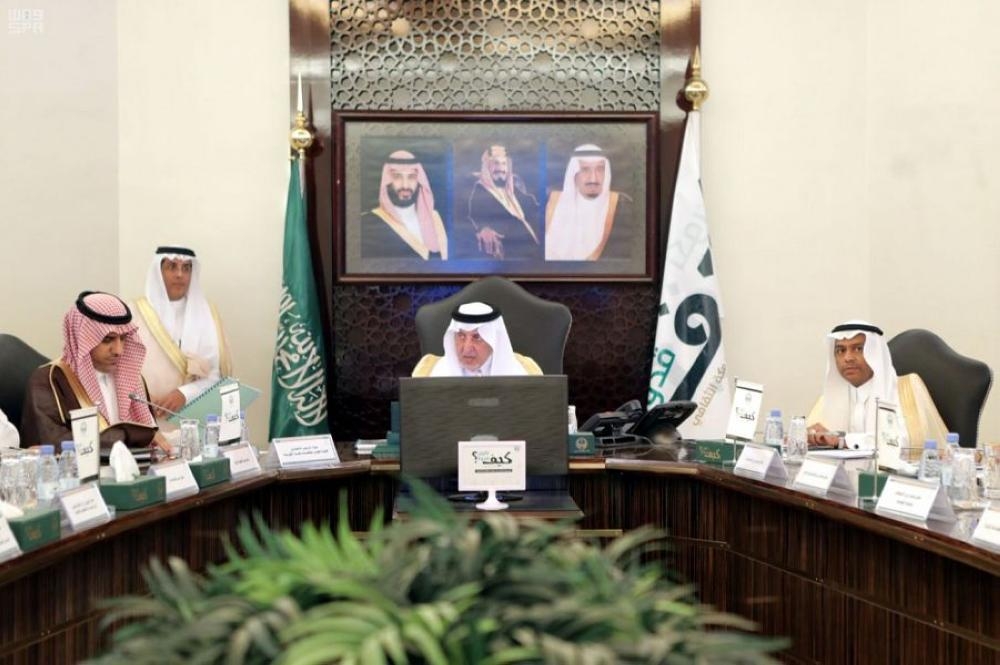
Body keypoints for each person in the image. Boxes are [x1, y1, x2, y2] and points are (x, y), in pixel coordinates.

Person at [20, 291, 170, 452]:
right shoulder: (48, 380)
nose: (119, 350)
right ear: (82, 338)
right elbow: (54, 444)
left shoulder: (134, 381)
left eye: (123, 338)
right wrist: (133, 435)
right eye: (107, 339)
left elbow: (152, 438)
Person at [807, 320, 946, 449]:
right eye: (841, 351)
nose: (848, 358)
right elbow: (813, 435)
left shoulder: (905, 389)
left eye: (858, 349)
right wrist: (810, 436)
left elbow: (907, 441)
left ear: (875, 353)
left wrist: (843, 440)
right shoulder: (829, 398)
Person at [132, 246, 232, 420]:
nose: (179, 274)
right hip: (145, 417)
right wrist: (142, 397)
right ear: (158, 271)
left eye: (186, 268)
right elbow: (120, 370)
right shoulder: (134, 312)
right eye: (172, 267)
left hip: (193, 418)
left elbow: (215, 375)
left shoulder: (208, 314)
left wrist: (185, 394)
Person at [545, 144, 632, 261]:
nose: (593, 179)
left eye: (600, 169)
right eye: (585, 169)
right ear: (574, 173)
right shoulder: (550, 202)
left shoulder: (623, 206)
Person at [412, 302, 541, 377]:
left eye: (477, 337)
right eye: (461, 336)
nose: (466, 349)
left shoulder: (527, 372)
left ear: (493, 340)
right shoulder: (427, 372)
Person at [361, 149, 449, 260]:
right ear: (387, 181)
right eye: (397, 177)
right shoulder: (367, 223)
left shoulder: (438, 220)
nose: (405, 185)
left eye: (411, 177)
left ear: (419, 181)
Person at [460, 144, 542, 260]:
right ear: (487, 167)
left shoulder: (514, 190)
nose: (501, 168)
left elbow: (535, 208)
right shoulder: (478, 193)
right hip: (513, 257)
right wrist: (483, 229)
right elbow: (468, 218)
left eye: (504, 164)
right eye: (496, 163)